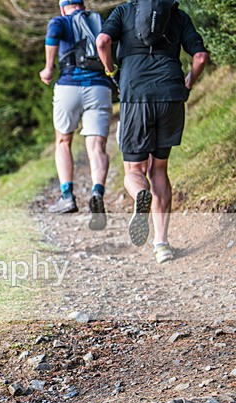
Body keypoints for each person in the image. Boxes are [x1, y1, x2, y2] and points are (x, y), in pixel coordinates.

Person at [97, 2, 208, 263]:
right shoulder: (177, 15)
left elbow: (103, 41)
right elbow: (201, 57)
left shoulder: (124, 12)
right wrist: (188, 83)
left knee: (134, 171)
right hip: (170, 96)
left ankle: (140, 196)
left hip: (136, 96)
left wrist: (112, 72)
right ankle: (162, 244)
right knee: (159, 169)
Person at [40, 0, 113, 230]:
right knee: (97, 147)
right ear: (83, 5)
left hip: (69, 86)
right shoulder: (98, 20)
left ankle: (67, 196)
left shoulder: (60, 21)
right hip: (99, 88)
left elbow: (52, 35)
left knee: (63, 141)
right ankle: (97, 191)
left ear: (63, 7)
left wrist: (49, 67)